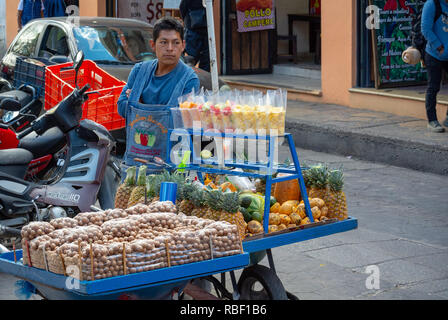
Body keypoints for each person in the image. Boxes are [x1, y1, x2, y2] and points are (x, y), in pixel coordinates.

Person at [117, 17, 200, 170]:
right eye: (163, 42)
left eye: (175, 42)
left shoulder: (189, 79)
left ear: (183, 46)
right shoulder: (139, 71)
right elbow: (122, 108)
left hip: (169, 167)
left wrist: (139, 101)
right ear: (153, 45)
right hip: (134, 164)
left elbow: (184, 122)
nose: (170, 48)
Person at [421, 0, 448, 133]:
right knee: (433, 87)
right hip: (434, 54)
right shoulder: (432, 4)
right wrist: (439, 46)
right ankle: (432, 121)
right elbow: (425, 29)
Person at [179, 0, 211, 72]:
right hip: (195, 30)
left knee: (203, 59)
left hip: (200, 29)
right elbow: (182, 8)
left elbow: (182, 8)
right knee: (192, 58)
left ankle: (201, 80)